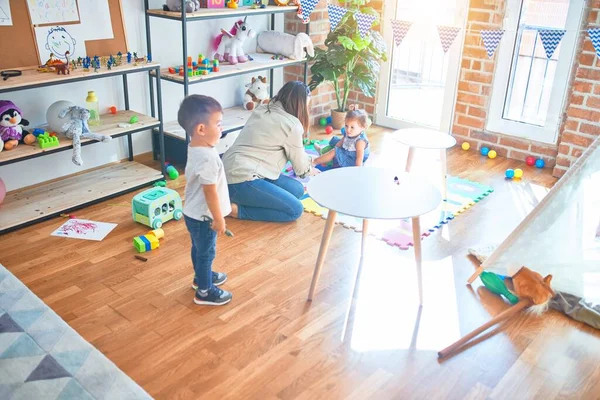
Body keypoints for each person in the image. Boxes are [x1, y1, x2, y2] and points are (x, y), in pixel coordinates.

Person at [222, 81, 316, 222]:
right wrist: (311, 169)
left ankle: (232, 197)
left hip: (226, 174)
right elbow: (301, 169)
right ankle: (233, 209)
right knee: (295, 210)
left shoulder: (262, 108)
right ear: (299, 106)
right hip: (241, 181)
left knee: (297, 189)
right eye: (306, 107)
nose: (306, 111)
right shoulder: (292, 125)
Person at [180, 95, 232, 306]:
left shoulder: (196, 147)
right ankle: (204, 291)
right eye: (218, 124)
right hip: (204, 217)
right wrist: (218, 219)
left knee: (198, 249)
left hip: (192, 213)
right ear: (201, 129)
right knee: (206, 253)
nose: (221, 128)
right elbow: (210, 192)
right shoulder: (208, 158)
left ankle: (201, 277)